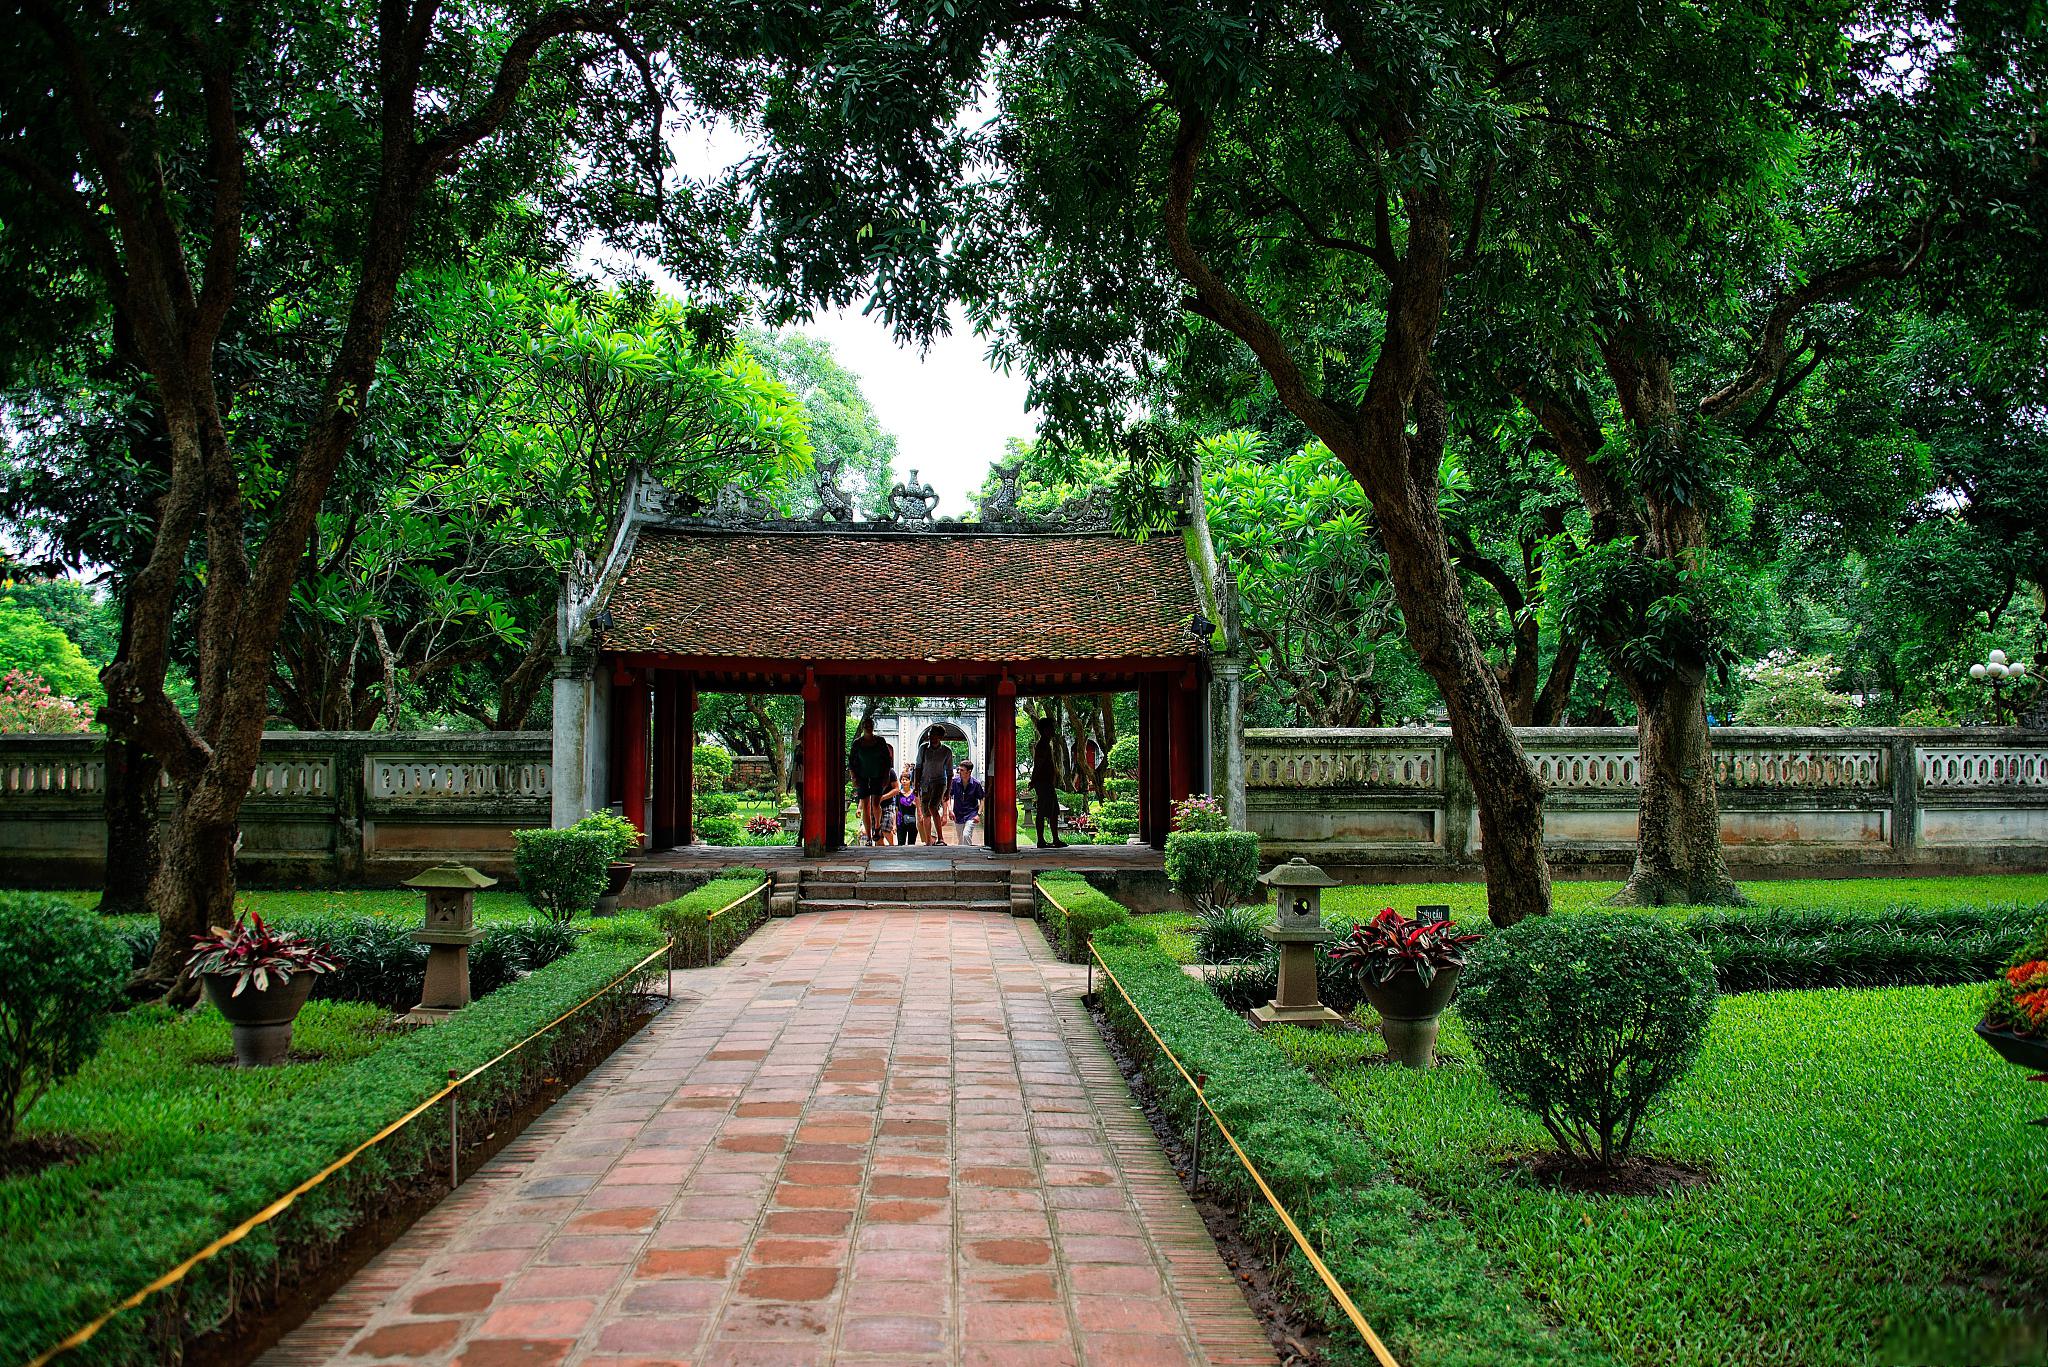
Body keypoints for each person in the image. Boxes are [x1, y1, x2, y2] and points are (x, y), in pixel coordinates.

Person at [848, 717, 894, 844]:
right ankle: (868, 837)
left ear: (873, 727)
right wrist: (854, 777)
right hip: (862, 777)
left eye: (870, 725)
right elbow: (851, 761)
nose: (868, 727)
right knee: (866, 807)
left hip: (877, 776)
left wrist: (886, 777)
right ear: (863, 727)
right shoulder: (857, 743)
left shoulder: (880, 741)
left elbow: (887, 760)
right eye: (866, 725)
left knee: (875, 804)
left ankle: (877, 827)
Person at [914, 726, 954, 845]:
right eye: (931, 734)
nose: (932, 737)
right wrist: (916, 786)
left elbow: (950, 772)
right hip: (925, 783)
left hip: (939, 782)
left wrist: (948, 791)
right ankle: (928, 841)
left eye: (935, 735)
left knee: (932, 807)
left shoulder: (946, 751)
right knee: (926, 812)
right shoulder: (923, 748)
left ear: (941, 737)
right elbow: (918, 767)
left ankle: (941, 838)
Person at [1031, 733, 1066, 848]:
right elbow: (1039, 764)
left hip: (1046, 782)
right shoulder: (1042, 745)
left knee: (1053, 810)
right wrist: (1034, 779)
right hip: (1043, 782)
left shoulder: (1045, 744)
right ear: (1046, 729)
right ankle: (1041, 839)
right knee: (1043, 811)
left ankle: (1054, 839)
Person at [951, 760, 985, 846]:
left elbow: (982, 798)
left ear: (969, 772)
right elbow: (947, 796)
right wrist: (949, 810)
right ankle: (962, 855)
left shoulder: (976, 784)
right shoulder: (954, 782)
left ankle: (968, 854)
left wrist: (979, 814)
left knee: (966, 835)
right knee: (961, 838)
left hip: (971, 814)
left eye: (962, 770)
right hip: (958, 813)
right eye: (959, 769)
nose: (959, 772)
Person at [894, 765, 919, 845]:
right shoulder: (898, 794)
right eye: (902, 779)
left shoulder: (914, 794)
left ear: (910, 781)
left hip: (913, 821)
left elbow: (919, 808)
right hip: (900, 821)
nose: (904, 781)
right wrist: (894, 824)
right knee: (901, 843)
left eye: (906, 780)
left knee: (911, 843)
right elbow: (896, 809)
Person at [874, 768, 900, 845]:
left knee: (886, 829)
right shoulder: (871, 771)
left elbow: (896, 789)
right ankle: (881, 853)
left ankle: (891, 846)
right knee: (877, 834)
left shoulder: (890, 771)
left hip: (888, 804)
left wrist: (883, 797)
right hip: (875, 805)